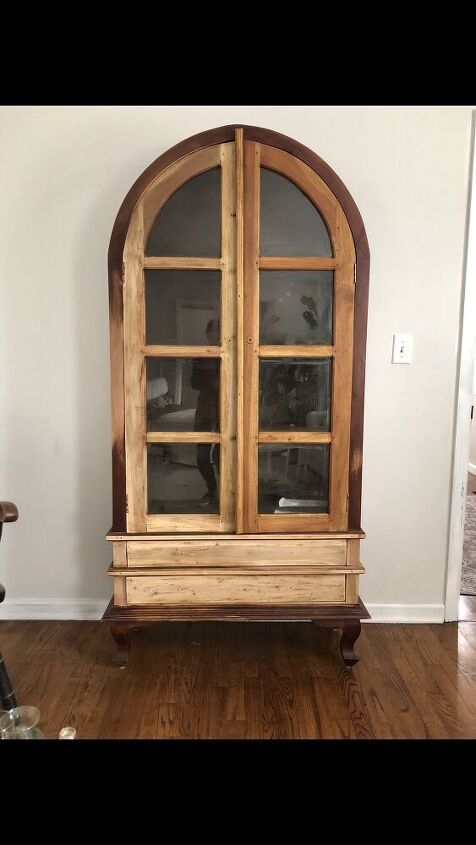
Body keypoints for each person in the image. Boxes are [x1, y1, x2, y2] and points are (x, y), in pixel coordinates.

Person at [191, 318, 220, 507]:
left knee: (224, 456)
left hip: (228, 409)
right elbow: (194, 383)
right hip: (205, 408)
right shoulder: (202, 354)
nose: (214, 336)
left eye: (217, 332)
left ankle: (225, 494)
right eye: (211, 333)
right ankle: (211, 490)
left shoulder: (235, 352)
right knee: (202, 457)